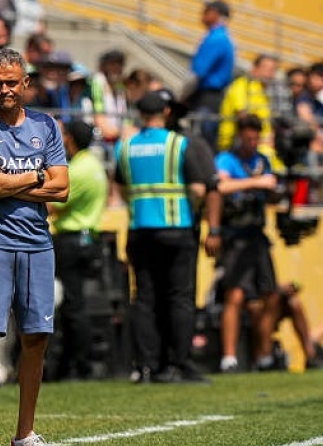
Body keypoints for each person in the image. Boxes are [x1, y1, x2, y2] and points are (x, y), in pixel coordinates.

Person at [0, 48, 69, 446]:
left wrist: (8, 178)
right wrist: (36, 174)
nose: (5, 89)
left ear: (26, 83)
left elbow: (62, 188)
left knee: (36, 337)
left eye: (12, 82)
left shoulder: (47, 125)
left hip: (38, 242)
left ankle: (25, 435)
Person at [114, 91, 219, 384]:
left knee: (144, 298)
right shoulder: (178, 144)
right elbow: (199, 190)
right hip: (177, 227)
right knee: (180, 297)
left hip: (139, 229)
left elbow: (121, 189)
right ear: (166, 112)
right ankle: (179, 364)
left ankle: (147, 366)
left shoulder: (125, 147)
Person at [215, 114, 280, 372]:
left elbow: (273, 194)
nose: (252, 142)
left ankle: (264, 354)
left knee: (270, 295)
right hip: (235, 235)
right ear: (239, 135)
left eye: (256, 138)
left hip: (257, 235)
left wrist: (274, 189)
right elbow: (221, 186)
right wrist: (256, 182)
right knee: (236, 295)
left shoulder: (263, 161)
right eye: (248, 137)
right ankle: (229, 357)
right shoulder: (226, 159)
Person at [45, 119, 108, 381]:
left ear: (70, 139)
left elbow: (52, 205)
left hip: (71, 239)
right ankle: (76, 363)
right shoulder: (93, 165)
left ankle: (78, 365)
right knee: (75, 303)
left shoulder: (78, 170)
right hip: (87, 238)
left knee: (72, 306)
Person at [181, 0, 235, 151]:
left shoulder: (216, 38)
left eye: (206, 11)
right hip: (211, 98)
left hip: (207, 99)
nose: (202, 14)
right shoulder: (221, 37)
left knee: (201, 141)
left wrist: (182, 96)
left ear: (216, 13)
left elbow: (198, 73)